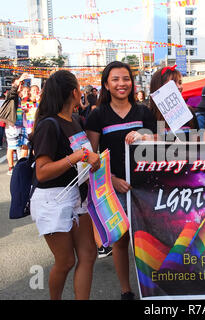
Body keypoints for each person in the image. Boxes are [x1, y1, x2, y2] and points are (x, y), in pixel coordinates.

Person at [85, 61, 157, 300]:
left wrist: (145, 135)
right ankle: (126, 290)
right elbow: (91, 158)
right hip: (115, 189)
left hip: (145, 188)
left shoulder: (144, 112)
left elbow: (161, 142)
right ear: (106, 84)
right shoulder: (97, 115)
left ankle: (154, 288)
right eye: (115, 79)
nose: (121, 84)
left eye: (125, 78)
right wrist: (112, 179)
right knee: (121, 241)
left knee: (149, 240)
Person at [30, 70, 101, 300]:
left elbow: (82, 157)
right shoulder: (49, 125)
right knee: (66, 261)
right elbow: (42, 172)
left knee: (88, 254)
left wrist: (93, 160)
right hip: (53, 199)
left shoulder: (76, 121)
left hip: (77, 194)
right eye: (80, 87)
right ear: (74, 92)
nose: (82, 92)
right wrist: (78, 156)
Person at [149, 65, 198, 141]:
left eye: (180, 82)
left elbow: (196, 141)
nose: (179, 87)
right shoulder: (149, 114)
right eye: (173, 83)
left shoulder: (189, 112)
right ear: (159, 86)